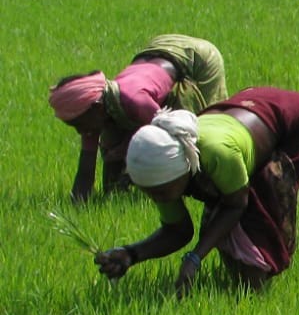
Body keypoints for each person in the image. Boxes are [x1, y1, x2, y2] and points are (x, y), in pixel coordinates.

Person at [92, 87, 299, 295]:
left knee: (262, 205)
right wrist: (130, 254)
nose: (157, 199)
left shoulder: (215, 155)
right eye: (149, 193)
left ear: (185, 171)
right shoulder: (163, 173)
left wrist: (195, 258)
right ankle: (241, 282)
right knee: (221, 210)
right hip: (246, 111)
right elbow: (178, 231)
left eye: (161, 192)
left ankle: (256, 291)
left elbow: (236, 204)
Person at [48, 34, 228, 202]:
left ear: (97, 107)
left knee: (203, 126)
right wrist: (78, 203)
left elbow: (172, 139)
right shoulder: (96, 111)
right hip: (158, 51)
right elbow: (86, 171)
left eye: (78, 124)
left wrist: (132, 170)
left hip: (197, 57)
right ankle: (116, 196)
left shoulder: (135, 102)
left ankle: (215, 188)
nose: (80, 131)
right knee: (112, 141)